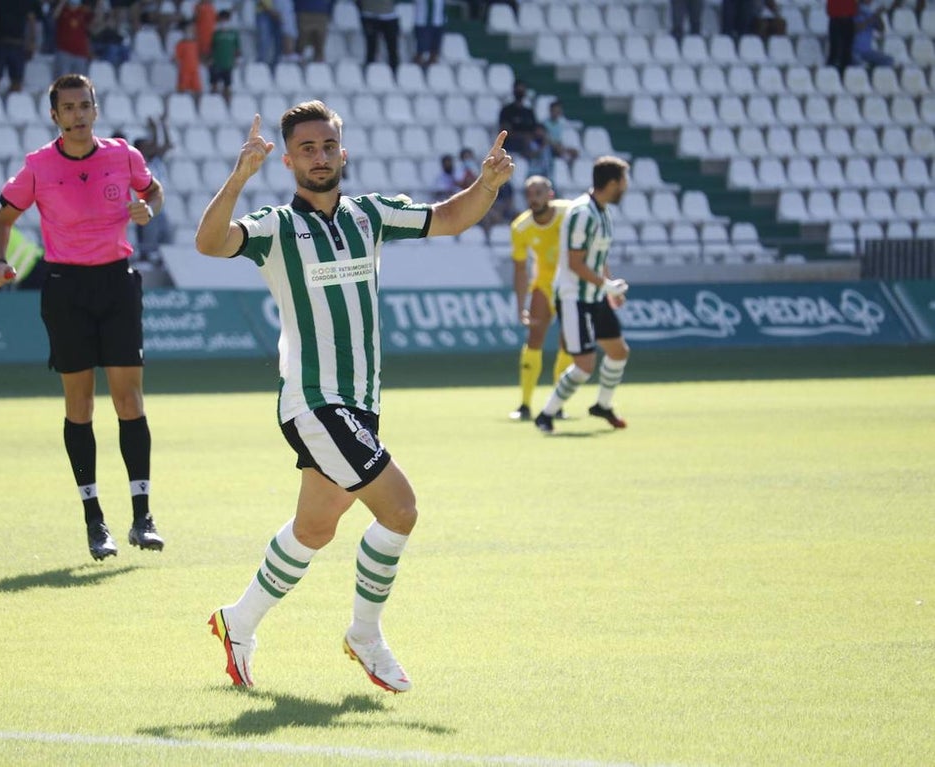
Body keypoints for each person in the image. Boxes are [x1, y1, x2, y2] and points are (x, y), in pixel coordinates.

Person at [195, 101, 514, 692]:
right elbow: (210, 243)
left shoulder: (371, 215)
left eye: (328, 146)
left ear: (344, 151)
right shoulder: (276, 227)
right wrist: (239, 177)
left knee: (314, 529)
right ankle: (365, 634)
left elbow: (449, 218)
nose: (320, 157)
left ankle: (236, 622)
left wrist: (487, 185)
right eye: (308, 149)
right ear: (288, 159)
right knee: (401, 509)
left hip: (360, 402)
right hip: (315, 402)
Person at [0, 73, 167, 561]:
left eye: (84, 105)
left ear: (96, 109)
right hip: (65, 289)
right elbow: (2, 221)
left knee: (129, 401)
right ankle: (95, 522)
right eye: (68, 108)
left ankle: (142, 517)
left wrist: (147, 209)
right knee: (80, 407)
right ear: (55, 116)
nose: (78, 115)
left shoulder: (123, 155)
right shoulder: (38, 166)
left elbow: (153, 192)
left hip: (117, 284)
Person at [533, 156, 631, 434]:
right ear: (612, 183)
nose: (625, 186)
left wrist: (609, 286)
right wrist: (605, 285)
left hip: (595, 294)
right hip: (573, 297)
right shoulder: (582, 213)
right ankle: (546, 414)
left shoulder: (603, 212)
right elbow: (576, 262)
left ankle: (602, 405)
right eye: (623, 181)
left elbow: (597, 257)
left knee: (618, 351)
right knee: (584, 365)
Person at [509, 176, 574, 422]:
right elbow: (519, 269)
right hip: (544, 285)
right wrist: (520, 306)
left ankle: (557, 406)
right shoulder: (520, 227)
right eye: (529, 194)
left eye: (538, 193)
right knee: (534, 339)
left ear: (550, 194)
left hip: (571, 285)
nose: (533, 198)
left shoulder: (569, 213)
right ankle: (525, 404)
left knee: (568, 345)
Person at [133, 116, 175, 264]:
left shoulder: (156, 160)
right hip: (147, 208)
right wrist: (154, 129)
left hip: (161, 208)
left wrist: (162, 125)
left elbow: (167, 145)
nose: (151, 147)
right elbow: (156, 146)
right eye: (146, 145)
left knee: (166, 242)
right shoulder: (139, 163)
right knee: (148, 243)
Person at [0, 0, 40, 92]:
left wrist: (32, 41)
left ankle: (14, 104)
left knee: (17, 81)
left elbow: (31, 18)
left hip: (18, 43)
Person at [52, 0, 97, 77]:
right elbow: (54, 16)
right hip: (64, 52)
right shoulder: (62, 10)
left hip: (81, 53)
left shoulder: (83, 11)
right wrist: (62, 2)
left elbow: (95, 22)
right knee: (63, 83)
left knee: (79, 83)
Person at [497, 80, 537, 158]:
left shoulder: (529, 112)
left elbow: (535, 130)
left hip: (528, 142)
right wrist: (523, 137)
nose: (520, 92)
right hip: (511, 143)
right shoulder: (506, 110)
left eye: (522, 90)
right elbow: (505, 132)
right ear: (514, 91)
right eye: (518, 90)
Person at [208, 9, 240, 103]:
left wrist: (237, 59)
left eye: (226, 20)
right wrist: (210, 59)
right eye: (222, 20)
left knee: (227, 86)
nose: (224, 22)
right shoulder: (215, 34)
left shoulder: (233, 33)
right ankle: (212, 103)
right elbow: (211, 48)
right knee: (214, 85)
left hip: (228, 63)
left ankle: (228, 106)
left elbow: (237, 48)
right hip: (216, 63)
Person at [359, 0, 400, 70]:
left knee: (392, 48)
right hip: (369, 14)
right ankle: (369, 71)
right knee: (371, 47)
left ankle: (395, 72)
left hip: (389, 15)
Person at [852, 0, 894, 66]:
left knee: (888, 61)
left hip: (867, 51)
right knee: (859, 64)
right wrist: (873, 16)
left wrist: (878, 15)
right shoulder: (854, 10)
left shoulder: (869, 12)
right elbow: (857, 28)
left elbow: (881, 29)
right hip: (854, 51)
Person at [542, 98, 578, 163]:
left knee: (575, 152)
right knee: (556, 147)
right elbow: (546, 138)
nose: (556, 113)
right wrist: (555, 144)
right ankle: (565, 158)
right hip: (549, 147)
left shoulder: (560, 124)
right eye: (555, 111)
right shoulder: (545, 123)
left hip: (559, 145)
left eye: (558, 111)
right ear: (551, 111)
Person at [174, 18, 202, 96]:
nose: (190, 31)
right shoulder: (180, 44)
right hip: (184, 70)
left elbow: (199, 56)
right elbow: (176, 58)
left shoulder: (196, 43)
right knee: (182, 88)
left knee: (197, 89)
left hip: (194, 70)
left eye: (192, 29)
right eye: (188, 29)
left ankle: (196, 106)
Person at [827, 0, 857, 71]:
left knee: (847, 50)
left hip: (848, 19)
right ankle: (832, 71)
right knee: (835, 49)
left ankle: (845, 73)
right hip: (836, 19)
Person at [413, 0, 444, 68]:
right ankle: (417, 69)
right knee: (421, 50)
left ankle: (432, 70)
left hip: (438, 22)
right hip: (422, 23)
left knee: (434, 51)